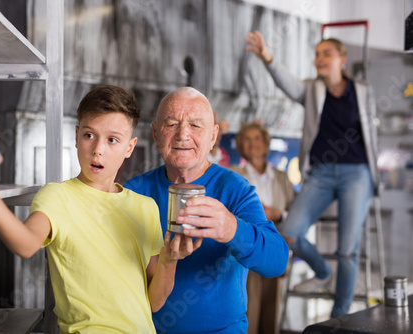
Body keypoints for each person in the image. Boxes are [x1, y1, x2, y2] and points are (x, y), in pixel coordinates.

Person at [0, 85, 202, 333]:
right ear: (77, 136)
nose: (98, 149)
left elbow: (154, 303)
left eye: (112, 140)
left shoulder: (145, 207)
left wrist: (169, 259)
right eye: (90, 135)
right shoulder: (58, 196)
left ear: (129, 147)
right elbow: (25, 244)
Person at [124, 87, 289, 333]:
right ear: (156, 133)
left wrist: (232, 228)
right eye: (171, 124)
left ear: (213, 136)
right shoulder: (133, 192)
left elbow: (277, 261)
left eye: (196, 125)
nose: (182, 135)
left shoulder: (235, 188)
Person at [245, 31, 379, 318]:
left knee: (347, 250)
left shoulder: (363, 90)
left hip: (357, 173)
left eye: (326, 54)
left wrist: (375, 173)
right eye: (317, 54)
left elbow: (372, 135)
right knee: (290, 232)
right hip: (320, 172)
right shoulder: (312, 90)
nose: (319, 59)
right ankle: (322, 271)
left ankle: (340, 315)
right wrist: (267, 58)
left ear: (342, 60)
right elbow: (288, 84)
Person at [229, 121, 296, 334]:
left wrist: (279, 216)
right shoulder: (234, 174)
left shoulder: (282, 178)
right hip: (245, 250)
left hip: (276, 247)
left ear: (266, 144)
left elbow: (295, 212)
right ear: (240, 146)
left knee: (271, 312)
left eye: (257, 138)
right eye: (246, 139)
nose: (253, 143)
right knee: (248, 311)